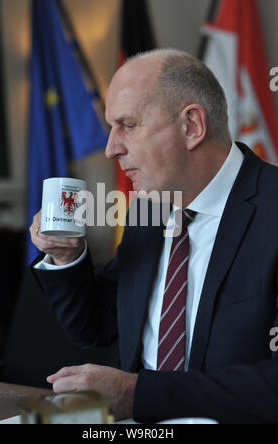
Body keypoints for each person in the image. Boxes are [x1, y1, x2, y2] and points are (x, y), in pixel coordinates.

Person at [30, 49, 278, 424]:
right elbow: (96, 325)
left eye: (127, 125)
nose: (112, 148)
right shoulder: (149, 207)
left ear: (192, 126)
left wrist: (137, 393)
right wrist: (67, 257)